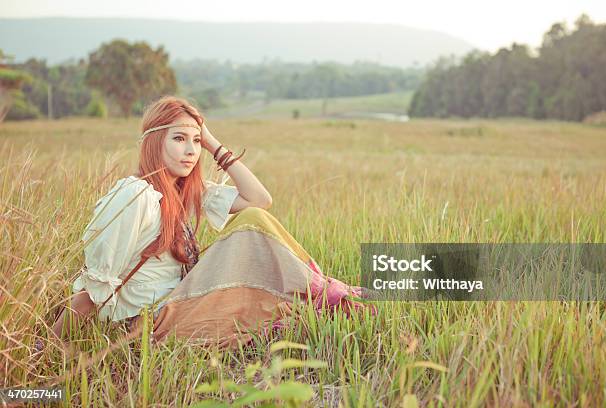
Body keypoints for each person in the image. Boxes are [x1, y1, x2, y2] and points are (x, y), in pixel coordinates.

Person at [49, 95, 372, 349]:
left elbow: (259, 199)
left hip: (181, 301)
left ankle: (324, 293)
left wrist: (213, 142)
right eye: (178, 139)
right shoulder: (135, 196)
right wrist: (49, 345)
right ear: (153, 142)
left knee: (256, 221)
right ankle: (326, 293)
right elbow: (96, 286)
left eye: (195, 141)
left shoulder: (185, 191)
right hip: (154, 322)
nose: (190, 151)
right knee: (255, 233)